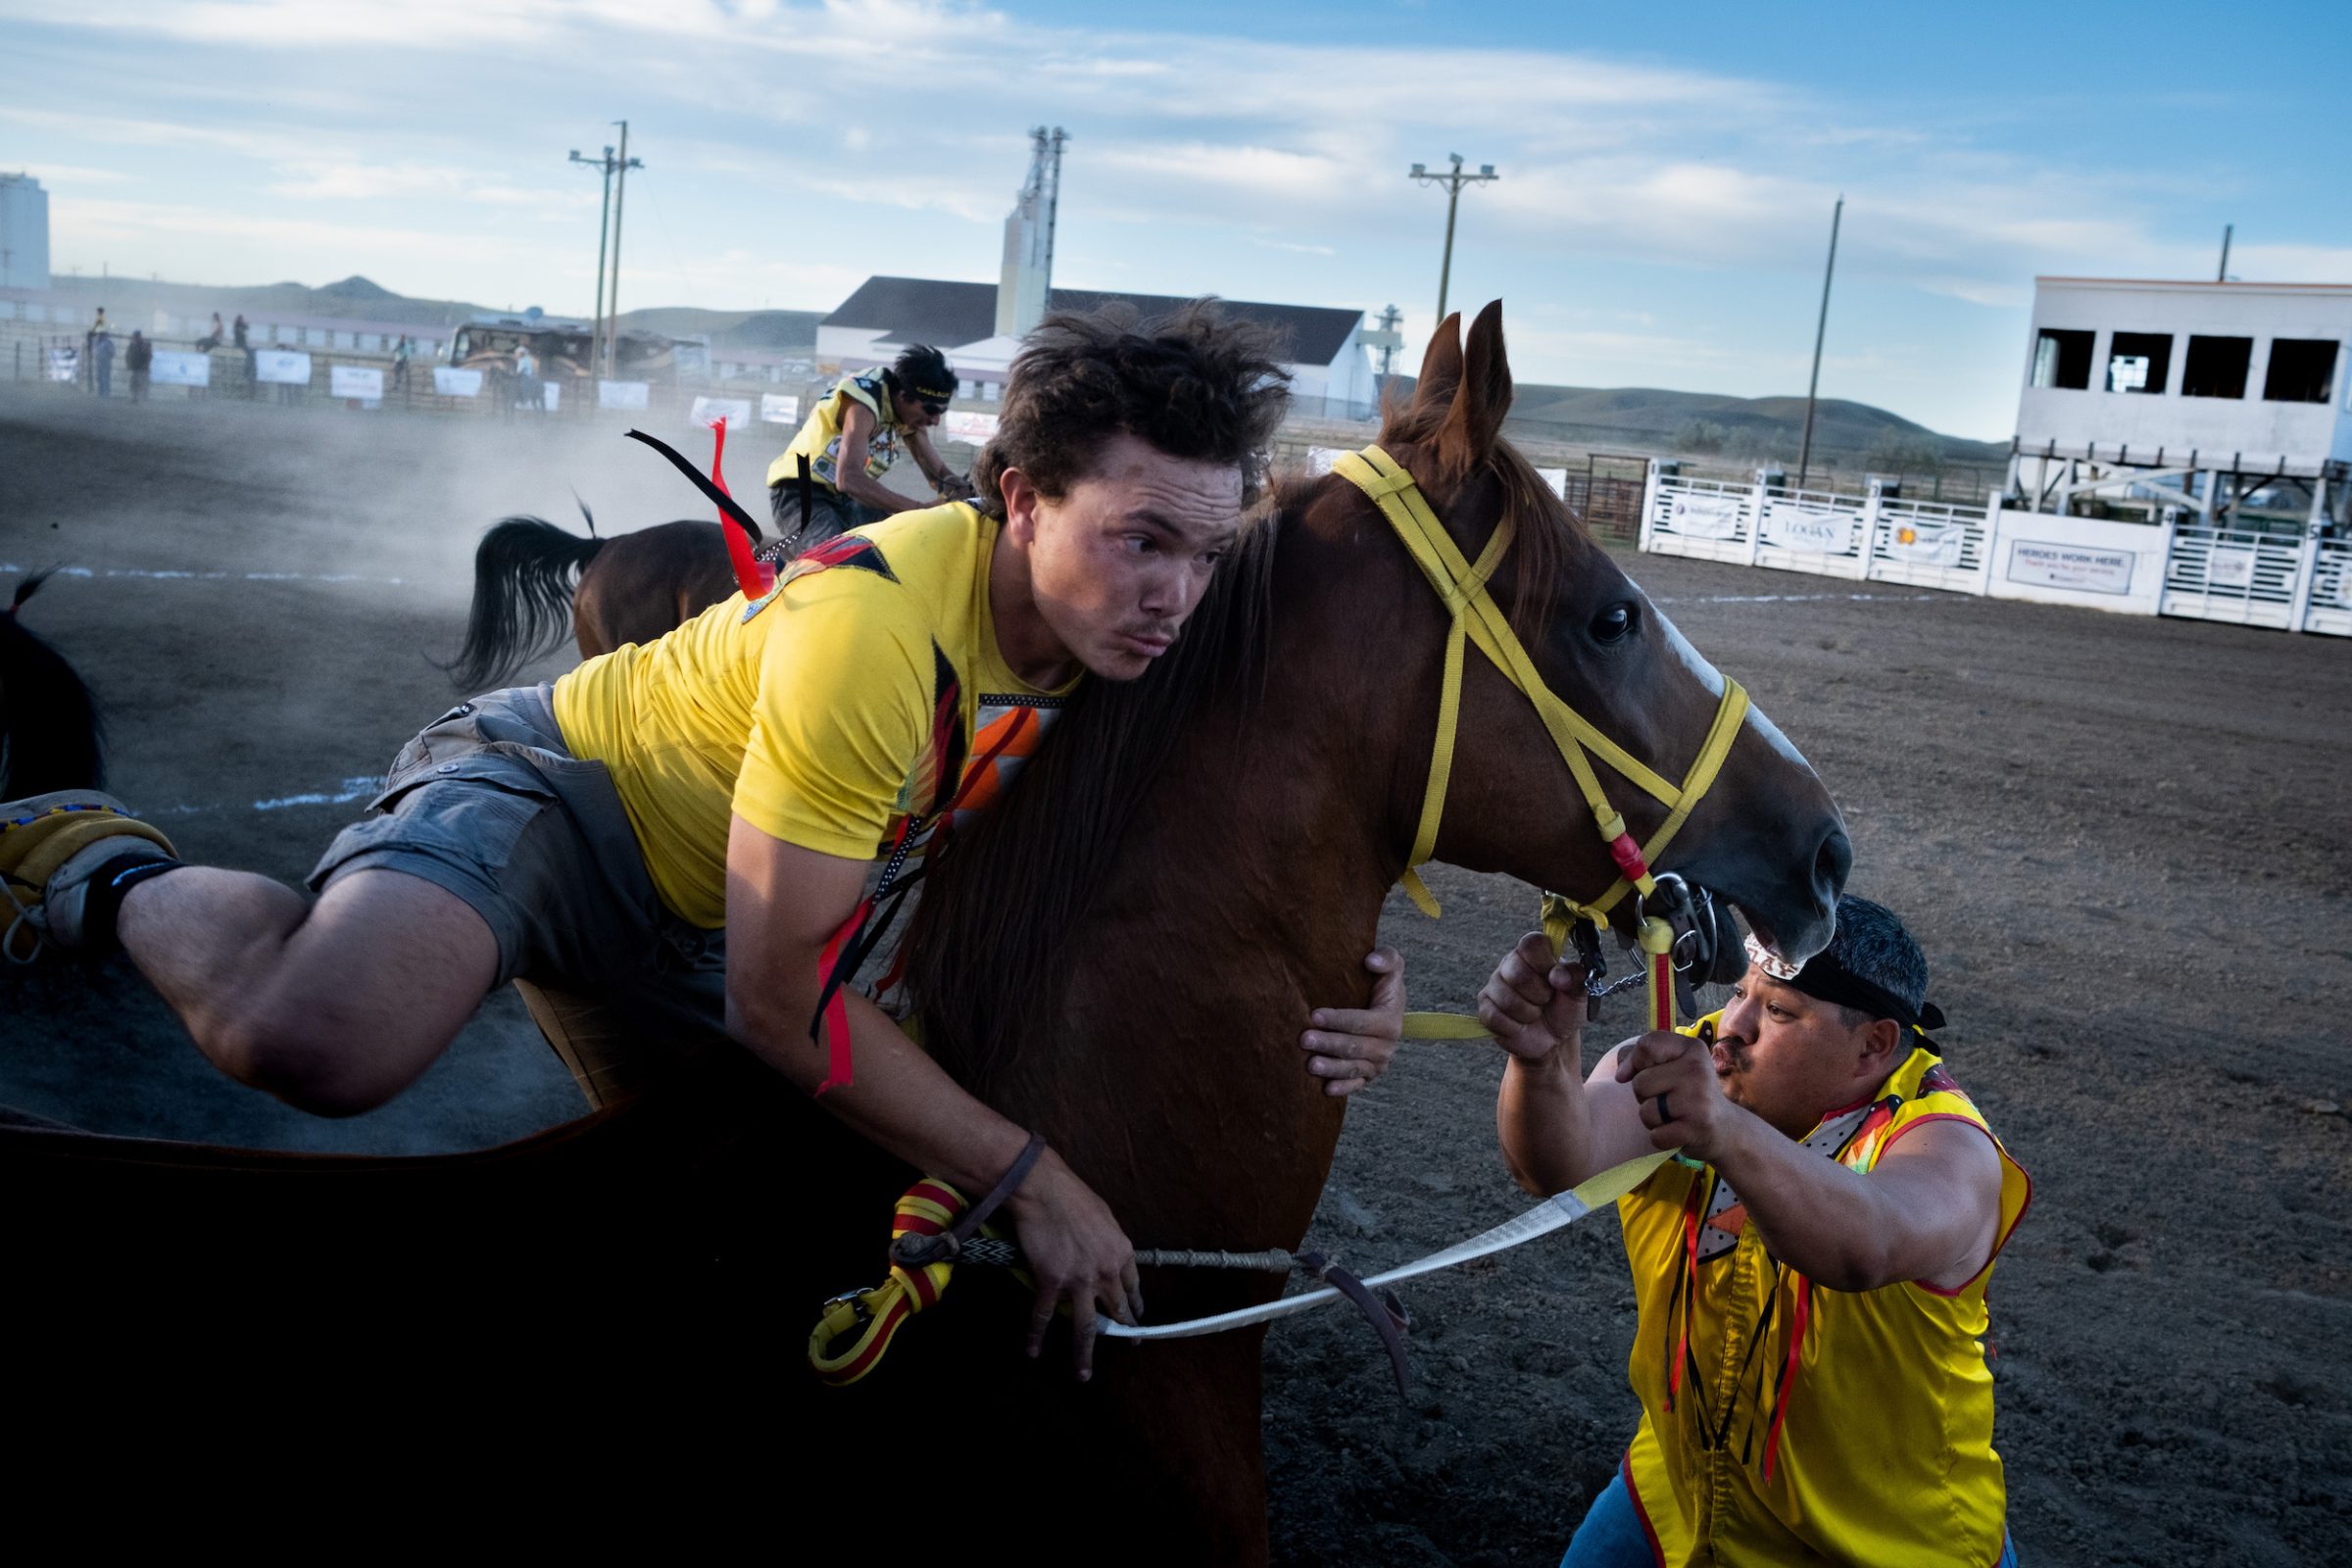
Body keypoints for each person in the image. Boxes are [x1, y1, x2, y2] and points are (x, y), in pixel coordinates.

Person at [0, 303, 1407, 1375]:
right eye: (1141, 539)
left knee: (737, 1227)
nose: (1176, 592)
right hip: (561, 797)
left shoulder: (1126, 642)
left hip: (715, 917)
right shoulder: (874, 632)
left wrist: (1350, 992)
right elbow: (780, 1006)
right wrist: (1027, 1172)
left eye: (1207, 551)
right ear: (1024, 502)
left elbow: (1241, 847)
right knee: (319, 1041)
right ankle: (92, 862)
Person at [1478, 895, 2029, 1567]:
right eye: (1740, 991)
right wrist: (1541, 1065)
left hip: (1885, 1545)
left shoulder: (1948, 1146)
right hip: (1678, 1503)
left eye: (1777, 1011)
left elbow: (1868, 1246)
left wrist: (1723, 1130)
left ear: (1873, 1046)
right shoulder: (1700, 1069)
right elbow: (1556, 1162)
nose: (1731, 1027)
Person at [766, 344, 971, 549]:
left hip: (846, 500)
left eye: (940, 413)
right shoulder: (864, 405)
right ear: (903, 396)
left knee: (903, 545)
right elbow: (849, 479)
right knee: (836, 559)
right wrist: (918, 509)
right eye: (930, 410)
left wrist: (966, 491)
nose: (935, 421)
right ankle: (768, 560)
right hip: (801, 492)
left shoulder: (909, 415)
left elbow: (941, 476)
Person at [125, 329, 152, 402]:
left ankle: (142, 398)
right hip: (135, 368)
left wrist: (145, 365)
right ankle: (134, 398)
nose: (135, 338)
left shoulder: (143, 345)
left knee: (140, 384)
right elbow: (128, 355)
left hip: (141, 368)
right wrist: (128, 364)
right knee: (134, 383)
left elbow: (148, 356)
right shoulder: (132, 345)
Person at [91, 327, 115, 399]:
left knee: (105, 377)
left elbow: (112, 352)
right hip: (99, 361)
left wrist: (107, 357)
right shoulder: (98, 342)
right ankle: (101, 392)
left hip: (105, 362)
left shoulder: (107, 342)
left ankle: (106, 393)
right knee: (100, 377)